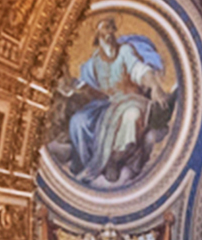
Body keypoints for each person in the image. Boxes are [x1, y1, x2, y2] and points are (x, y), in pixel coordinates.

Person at [59, 18, 172, 186]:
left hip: (132, 99)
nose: (109, 34)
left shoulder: (125, 51)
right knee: (78, 121)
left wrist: (154, 86)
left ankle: (115, 160)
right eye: (104, 31)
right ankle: (85, 164)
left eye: (111, 29)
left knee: (131, 115)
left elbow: (140, 70)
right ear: (98, 37)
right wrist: (73, 88)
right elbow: (87, 86)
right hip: (108, 104)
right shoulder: (95, 61)